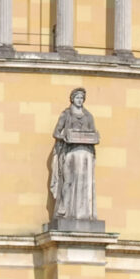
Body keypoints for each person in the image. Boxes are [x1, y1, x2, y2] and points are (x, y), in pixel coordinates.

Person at [49, 88, 99, 222]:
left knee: (84, 184)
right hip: (70, 153)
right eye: (77, 98)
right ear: (72, 99)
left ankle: (83, 213)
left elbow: (93, 133)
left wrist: (94, 137)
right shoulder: (66, 114)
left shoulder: (88, 116)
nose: (79, 100)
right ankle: (64, 209)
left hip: (85, 154)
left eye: (82, 98)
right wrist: (64, 137)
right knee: (68, 181)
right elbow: (56, 132)